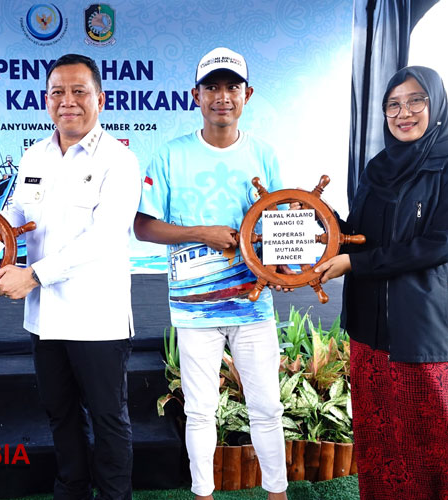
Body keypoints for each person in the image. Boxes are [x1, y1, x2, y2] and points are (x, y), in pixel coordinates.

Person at [315, 66, 448, 500]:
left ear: (437, 104)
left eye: (415, 101)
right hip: (371, 334)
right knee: (383, 447)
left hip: (427, 332)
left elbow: (439, 246)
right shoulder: (378, 168)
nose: (403, 112)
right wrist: (314, 218)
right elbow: (362, 234)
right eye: (393, 104)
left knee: (443, 445)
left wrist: (355, 263)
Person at [0, 54, 141, 500]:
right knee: (60, 414)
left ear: (100, 99)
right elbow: (13, 218)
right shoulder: (34, 155)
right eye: (57, 93)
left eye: (78, 91)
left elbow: (105, 236)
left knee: (109, 419)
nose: (67, 101)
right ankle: (71, 490)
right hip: (44, 319)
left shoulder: (120, 161)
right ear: (46, 100)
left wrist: (32, 275)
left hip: (96, 319)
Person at [133, 47, 288, 500]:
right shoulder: (170, 155)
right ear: (195, 96)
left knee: (267, 408)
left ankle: (277, 493)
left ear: (248, 94)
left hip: (254, 302)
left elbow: (281, 221)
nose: (223, 97)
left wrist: (284, 265)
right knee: (201, 411)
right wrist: (201, 232)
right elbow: (143, 226)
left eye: (232, 87)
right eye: (213, 88)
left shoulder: (264, 154)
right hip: (193, 306)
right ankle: (204, 494)